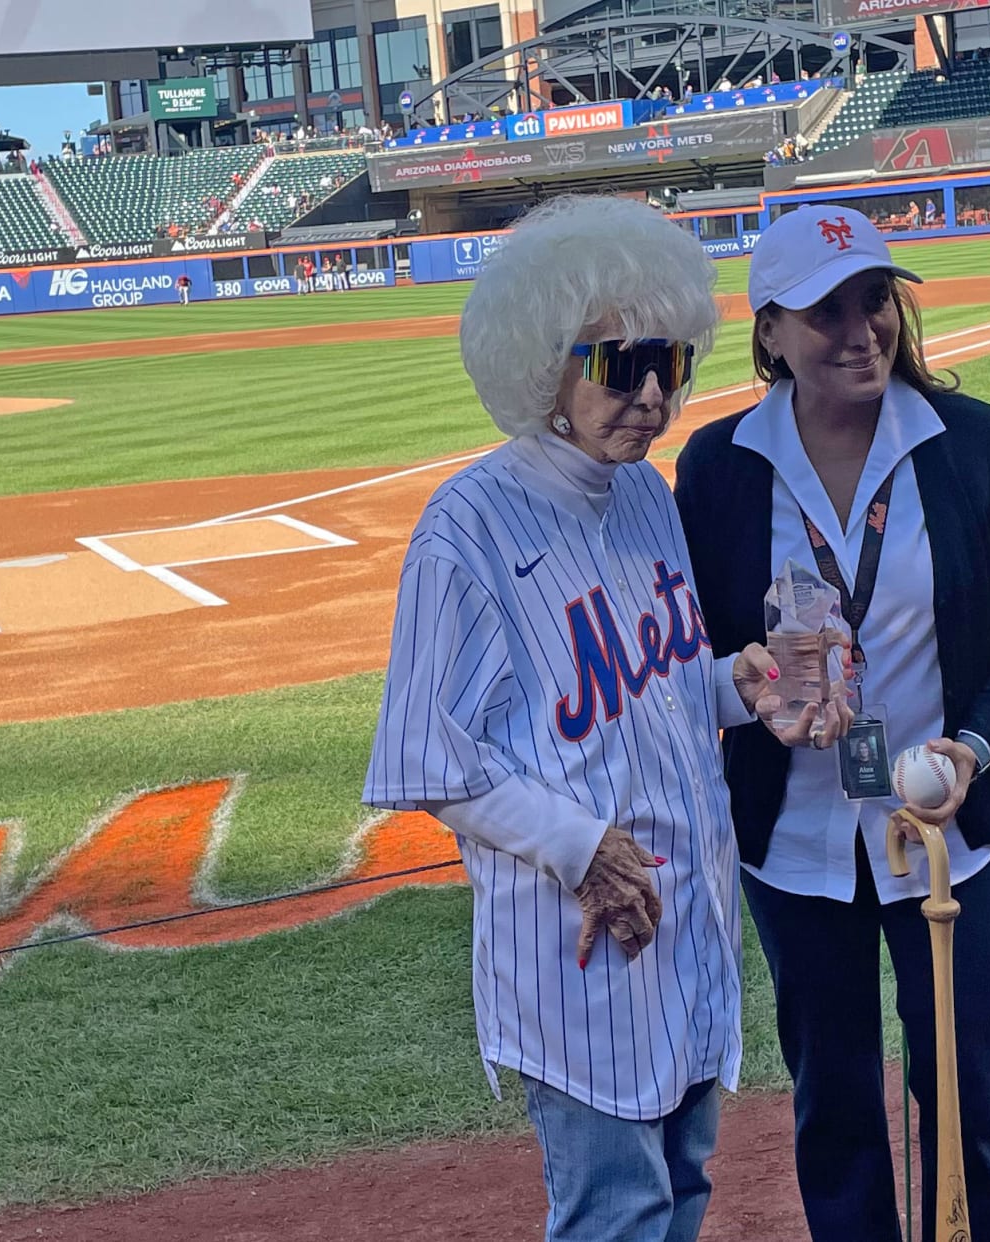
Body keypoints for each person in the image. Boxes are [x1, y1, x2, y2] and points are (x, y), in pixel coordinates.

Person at [365, 196, 814, 1242]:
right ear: (543, 364)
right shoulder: (467, 529)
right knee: (615, 1210)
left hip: (685, 910)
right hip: (578, 932)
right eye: (618, 365)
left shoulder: (646, 495)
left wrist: (729, 684)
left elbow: (650, 686)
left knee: (684, 1187)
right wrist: (581, 847)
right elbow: (428, 756)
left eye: (670, 362)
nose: (652, 394)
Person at [674, 205, 990, 1242]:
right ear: (769, 332)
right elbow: (689, 661)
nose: (863, 331)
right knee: (835, 1105)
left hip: (949, 837)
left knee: (966, 1087)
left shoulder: (968, 440)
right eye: (826, 312)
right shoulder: (717, 470)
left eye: (876, 301)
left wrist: (977, 743)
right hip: (795, 846)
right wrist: (751, 684)